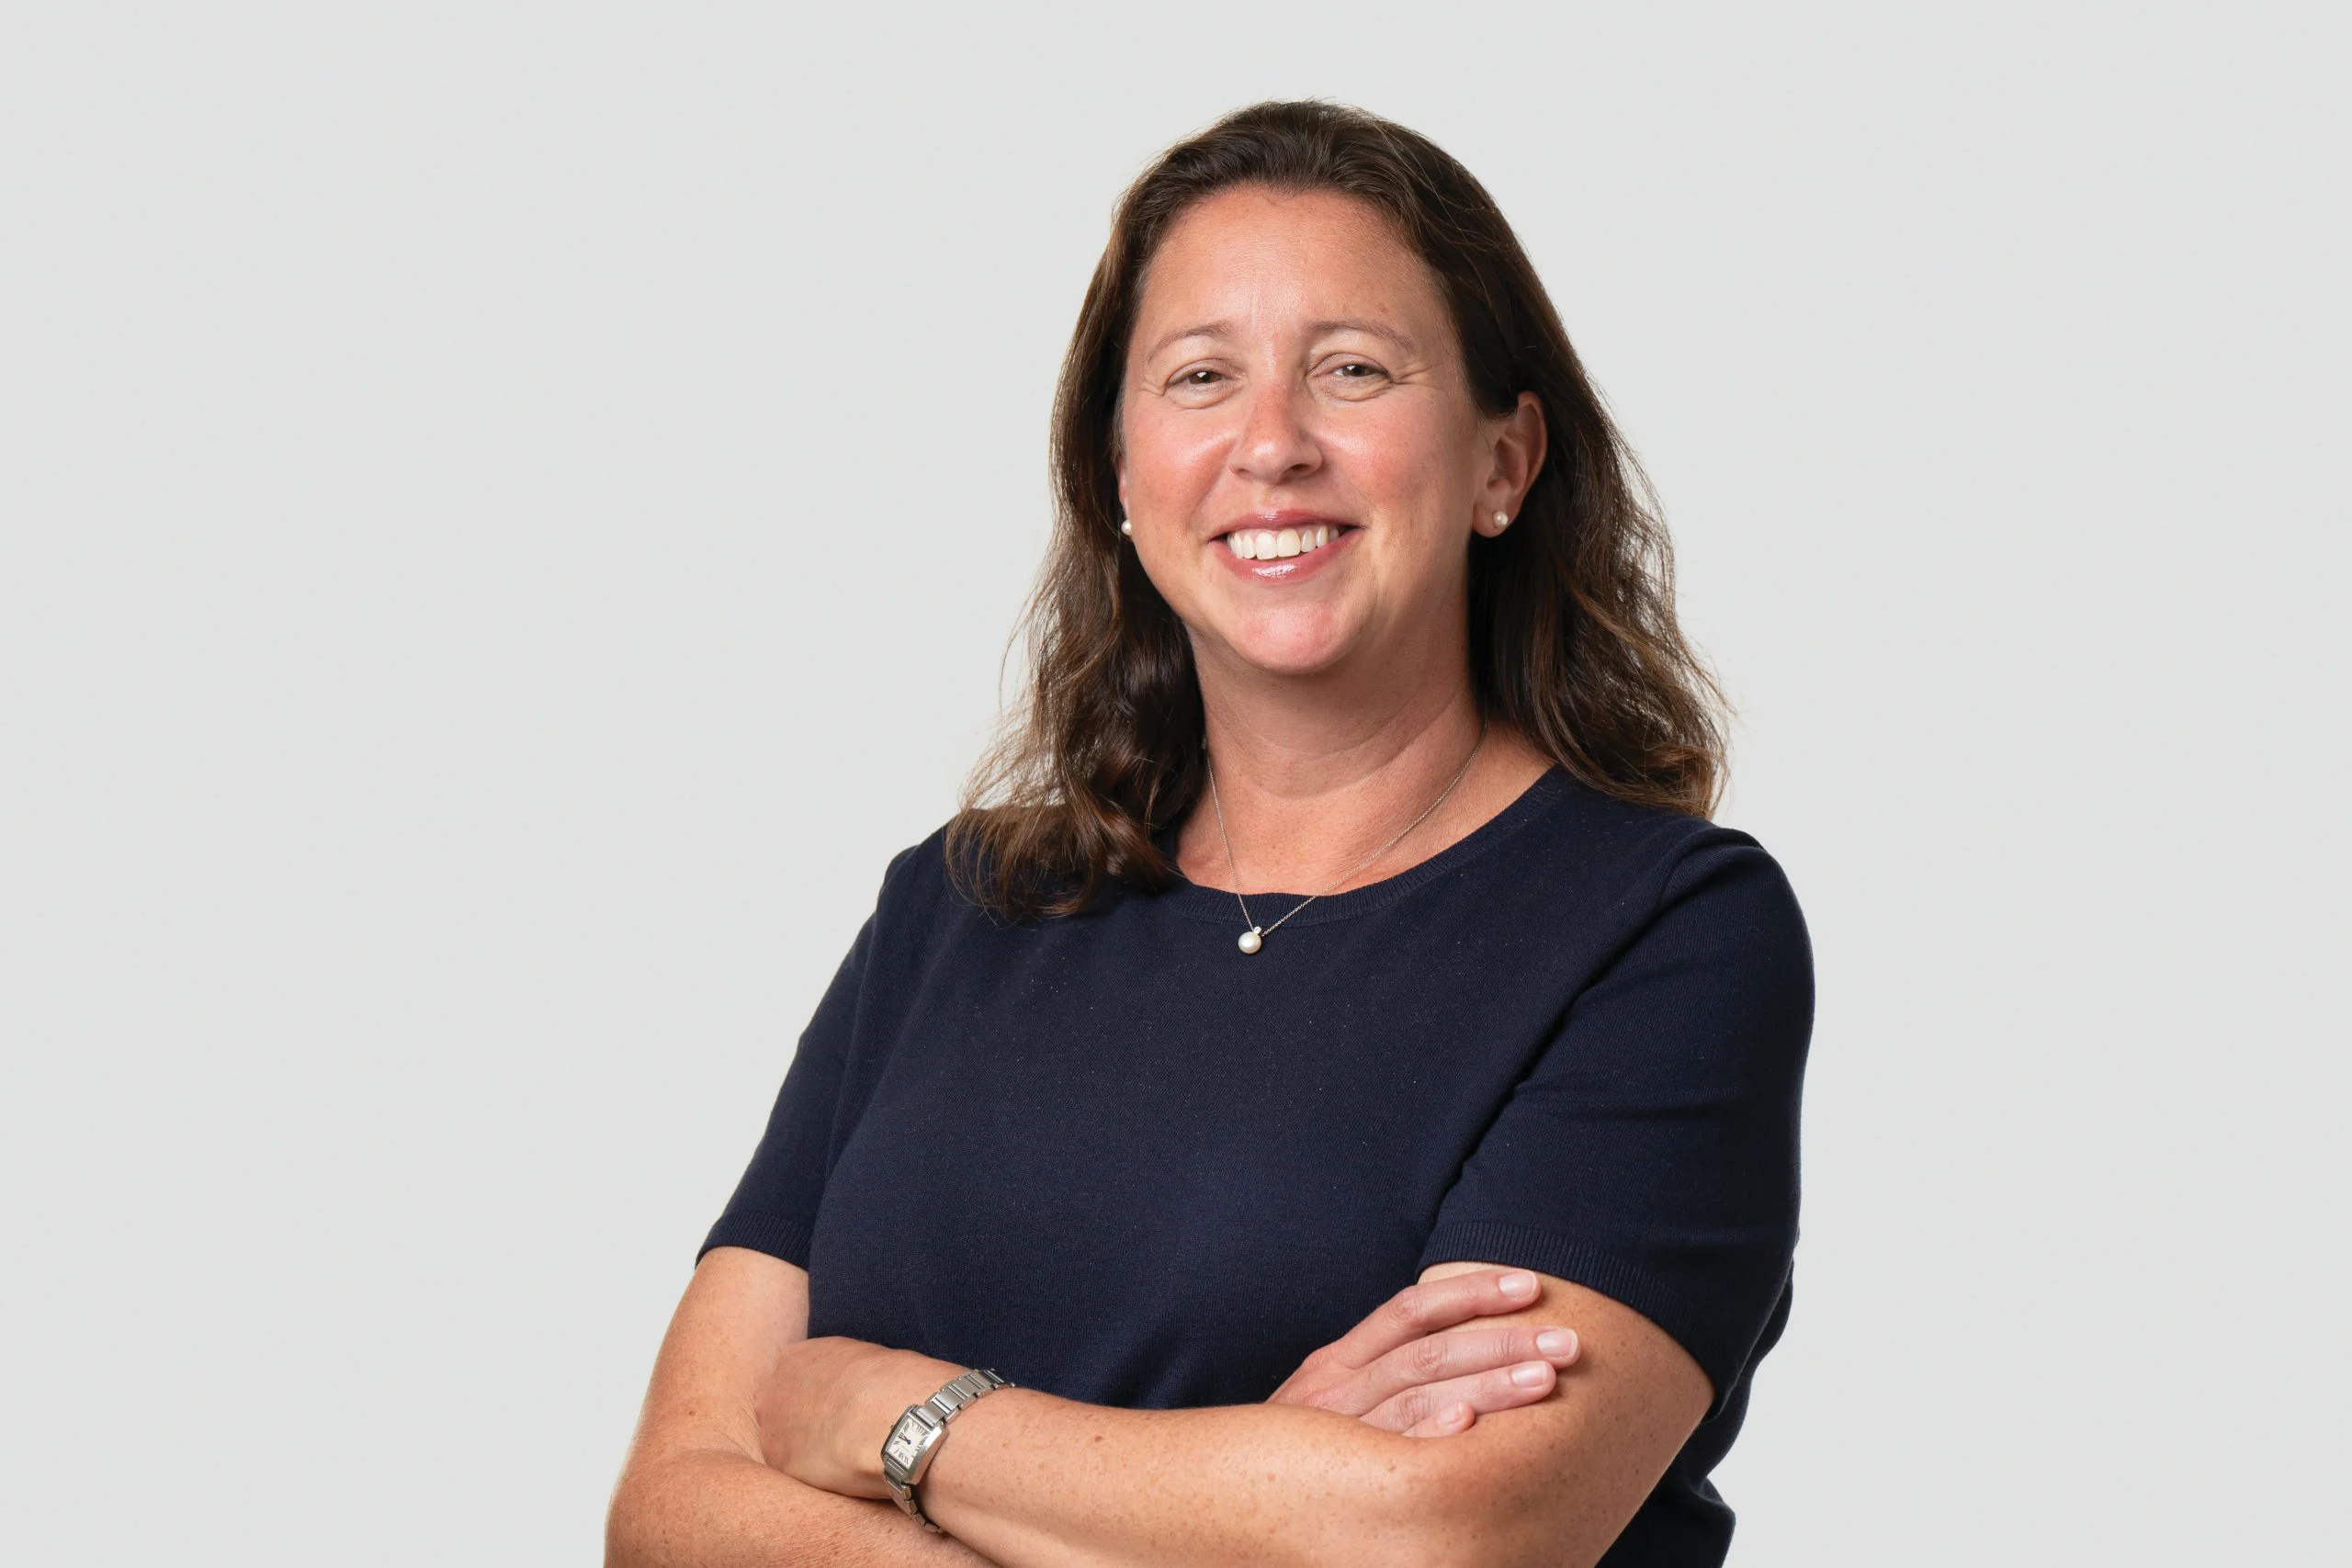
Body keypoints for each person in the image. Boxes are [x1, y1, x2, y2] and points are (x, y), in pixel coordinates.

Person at [606, 100, 1812, 1568]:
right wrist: (1247, 1506)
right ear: (1122, 476)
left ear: (1504, 461)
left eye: (1352, 369)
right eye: (1200, 377)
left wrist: (889, 1417)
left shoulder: (1666, 932)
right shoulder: (961, 905)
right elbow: (665, 1515)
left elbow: (1451, 1538)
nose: (1273, 444)